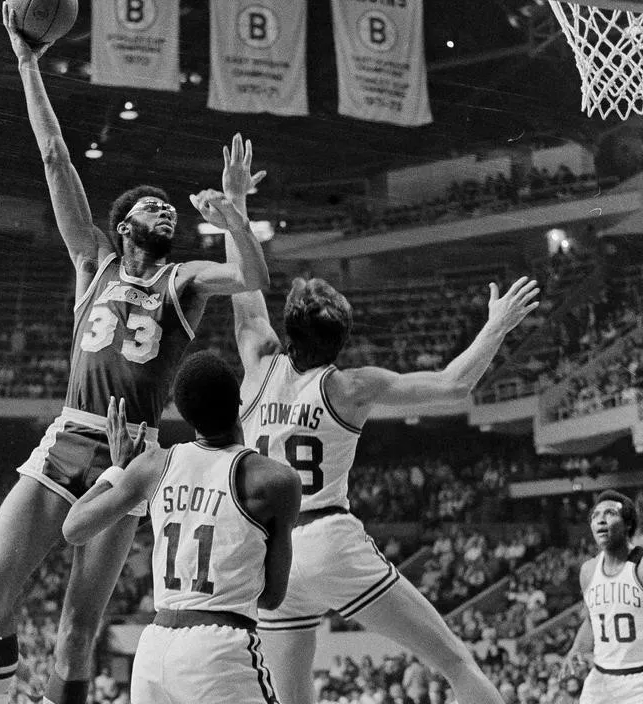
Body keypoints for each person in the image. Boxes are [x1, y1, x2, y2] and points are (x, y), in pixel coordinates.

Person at [0, 6, 270, 704]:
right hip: (70, 439)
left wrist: (233, 213)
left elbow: (252, 277)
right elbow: (54, 155)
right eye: (152, 206)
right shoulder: (93, 263)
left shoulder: (184, 281)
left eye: (172, 208)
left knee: (78, 630)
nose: (165, 210)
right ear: (122, 223)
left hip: (131, 455)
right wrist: (27, 63)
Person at [219, 135, 540, 704]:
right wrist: (497, 325)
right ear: (341, 337)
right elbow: (452, 383)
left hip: (270, 552)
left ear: (289, 331)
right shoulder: (349, 385)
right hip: (327, 537)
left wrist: (236, 205)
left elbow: (246, 289)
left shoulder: (256, 366)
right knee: (455, 662)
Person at [63, 350, 302, 704]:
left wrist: (119, 469)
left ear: (185, 414)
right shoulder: (275, 481)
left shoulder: (152, 465)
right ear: (239, 402)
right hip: (218, 649)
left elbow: (74, 528)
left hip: (154, 648)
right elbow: (271, 597)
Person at [560, 489, 643, 704]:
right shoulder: (588, 571)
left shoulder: (640, 566)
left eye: (609, 513)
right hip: (601, 678)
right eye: (595, 516)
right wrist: (576, 649)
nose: (600, 520)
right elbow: (591, 620)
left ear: (627, 524)